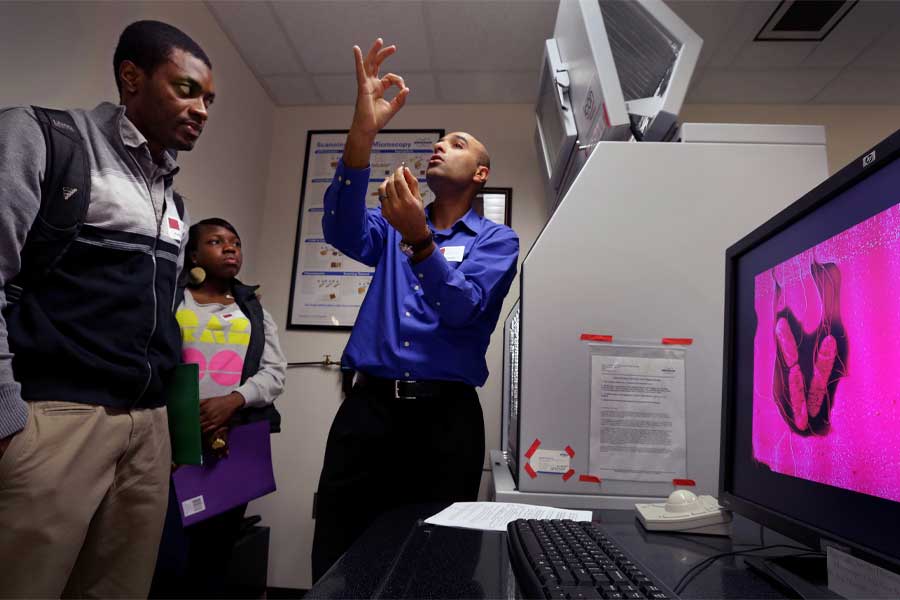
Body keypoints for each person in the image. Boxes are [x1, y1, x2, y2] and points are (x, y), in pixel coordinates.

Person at [0, 20, 214, 598]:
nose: (202, 110)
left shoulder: (175, 200)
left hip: (147, 431)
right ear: (131, 78)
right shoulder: (43, 137)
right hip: (57, 419)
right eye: (187, 89)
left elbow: (163, 325)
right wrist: (6, 421)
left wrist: (174, 436)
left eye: (209, 99)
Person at [311, 38, 520, 580]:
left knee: (436, 565)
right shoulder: (390, 229)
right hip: (368, 411)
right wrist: (364, 132)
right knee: (339, 546)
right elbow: (339, 227)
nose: (439, 147)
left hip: (444, 422)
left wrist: (420, 239)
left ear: (480, 173)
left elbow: (461, 308)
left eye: (457, 143)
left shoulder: (497, 241)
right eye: (438, 141)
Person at [151, 217, 287, 598]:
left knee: (214, 559)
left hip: (230, 444)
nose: (230, 248)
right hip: (169, 443)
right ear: (192, 253)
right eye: (216, 241)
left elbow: (275, 372)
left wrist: (233, 401)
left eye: (235, 242)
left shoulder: (254, 311)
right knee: (164, 558)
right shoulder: (171, 301)